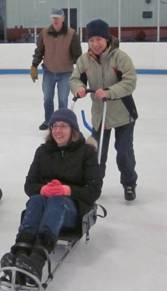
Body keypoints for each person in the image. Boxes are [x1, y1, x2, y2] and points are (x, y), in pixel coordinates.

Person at [0, 108, 102, 286]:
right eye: (54, 126)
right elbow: (29, 185)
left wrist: (66, 190)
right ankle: (20, 253)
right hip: (44, 205)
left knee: (57, 201)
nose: (57, 130)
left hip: (72, 209)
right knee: (37, 199)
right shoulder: (43, 151)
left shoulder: (87, 152)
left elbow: (93, 191)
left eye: (63, 126)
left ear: (73, 130)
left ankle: (37, 260)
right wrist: (44, 189)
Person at [70, 19, 138, 201]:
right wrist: (78, 88)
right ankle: (95, 184)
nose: (95, 44)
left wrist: (110, 92)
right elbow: (75, 78)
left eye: (99, 39)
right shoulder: (84, 59)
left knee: (124, 153)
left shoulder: (119, 57)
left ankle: (129, 183)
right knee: (97, 153)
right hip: (100, 115)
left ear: (107, 39)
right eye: (91, 40)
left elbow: (130, 81)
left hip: (123, 113)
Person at [30, 8, 82, 131]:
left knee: (63, 100)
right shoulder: (44, 33)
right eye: (53, 17)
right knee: (47, 98)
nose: (55, 20)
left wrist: (81, 72)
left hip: (66, 73)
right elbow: (39, 51)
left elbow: (77, 55)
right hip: (49, 71)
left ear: (63, 18)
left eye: (58, 17)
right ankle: (49, 121)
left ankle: (61, 122)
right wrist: (34, 65)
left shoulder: (71, 34)